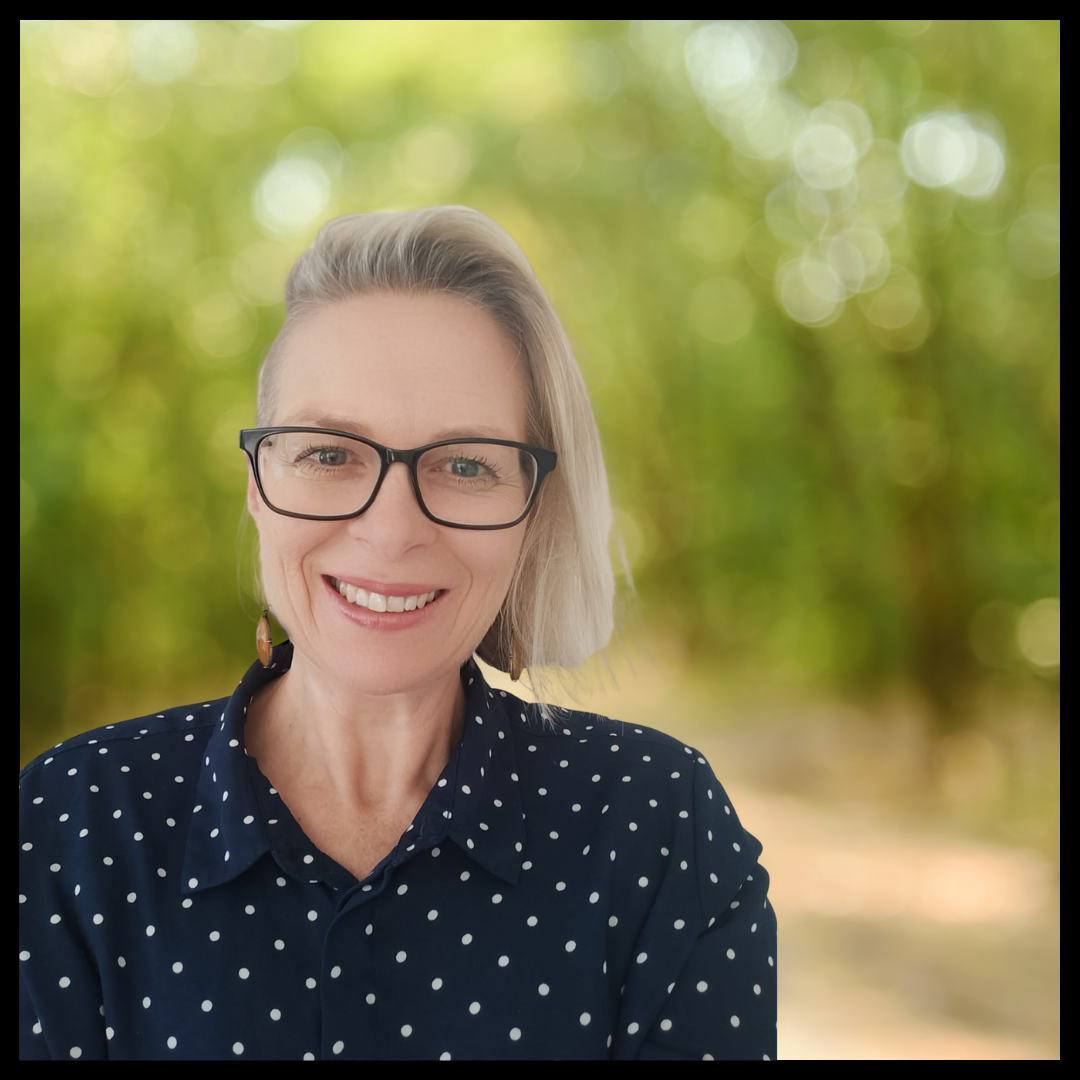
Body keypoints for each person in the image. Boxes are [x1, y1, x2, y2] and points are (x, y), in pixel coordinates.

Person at [19, 206, 777, 1060]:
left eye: (464, 465)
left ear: (532, 512)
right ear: (257, 487)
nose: (391, 530)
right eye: (329, 453)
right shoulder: (70, 824)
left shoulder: (660, 828)